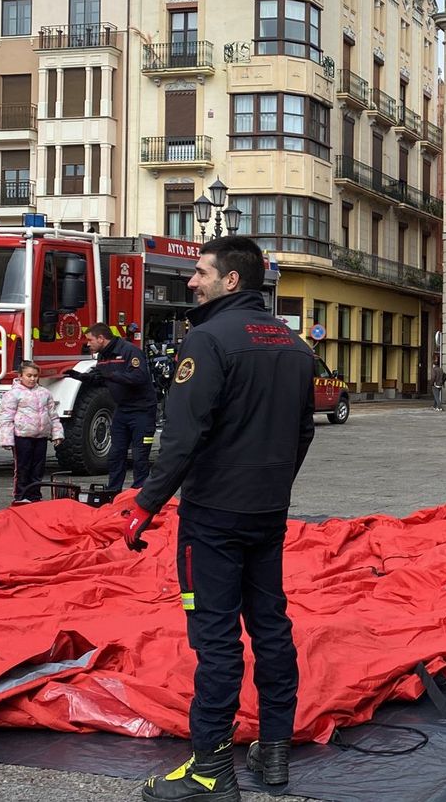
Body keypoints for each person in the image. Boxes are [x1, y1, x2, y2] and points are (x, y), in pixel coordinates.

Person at [126, 236, 315, 800]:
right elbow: (302, 433)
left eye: (200, 272)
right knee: (271, 627)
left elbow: (182, 438)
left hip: (211, 516)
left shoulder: (207, 341)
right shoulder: (294, 344)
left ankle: (210, 767)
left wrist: (145, 503)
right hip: (267, 510)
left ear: (231, 280)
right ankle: (274, 752)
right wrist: (273, 485)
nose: (191, 281)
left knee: (216, 638)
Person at [67, 324, 157, 493]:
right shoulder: (103, 355)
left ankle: (140, 492)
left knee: (140, 455)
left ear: (101, 338)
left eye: (90, 340)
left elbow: (139, 377)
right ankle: (113, 492)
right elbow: (100, 378)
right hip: (122, 410)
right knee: (116, 454)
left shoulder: (129, 351)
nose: (88, 344)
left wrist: (111, 375)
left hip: (142, 410)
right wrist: (80, 377)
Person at [0, 361, 62, 505]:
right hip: (22, 436)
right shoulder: (12, 394)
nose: (32, 379)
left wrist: (57, 433)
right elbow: (6, 418)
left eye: (35, 376)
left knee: (38, 467)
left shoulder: (45, 393)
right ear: (20, 376)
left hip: (40, 436)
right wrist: (7, 439)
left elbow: (53, 415)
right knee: (23, 467)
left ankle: (35, 495)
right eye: (29, 375)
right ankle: (20, 495)